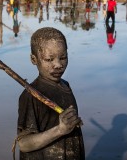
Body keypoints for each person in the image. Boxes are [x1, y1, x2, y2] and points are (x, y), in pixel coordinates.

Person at [16, 27, 85, 159]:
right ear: (34, 59)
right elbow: (24, 144)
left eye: (63, 57)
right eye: (49, 59)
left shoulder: (65, 85)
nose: (58, 64)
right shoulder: (31, 95)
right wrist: (60, 130)